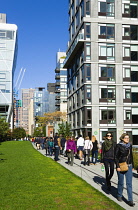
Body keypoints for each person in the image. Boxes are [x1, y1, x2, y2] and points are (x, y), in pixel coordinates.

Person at [115, 133, 135, 207]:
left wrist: (132, 165)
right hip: (121, 166)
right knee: (121, 182)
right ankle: (119, 195)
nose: (127, 139)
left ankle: (130, 200)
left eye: (128, 138)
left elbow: (131, 155)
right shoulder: (118, 146)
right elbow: (116, 157)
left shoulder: (130, 146)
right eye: (126, 138)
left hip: (129, 166)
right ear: (122, 139)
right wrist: (117, 166)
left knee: (129, 183)